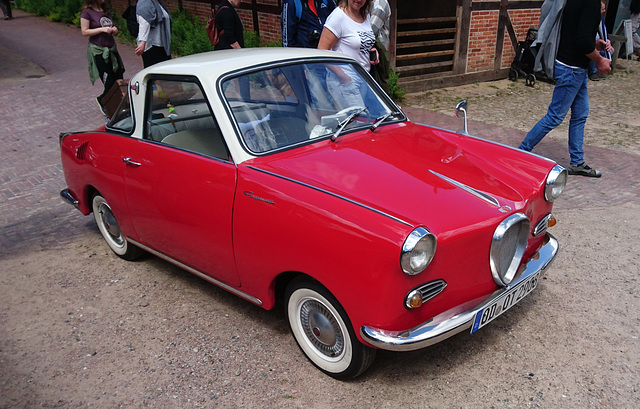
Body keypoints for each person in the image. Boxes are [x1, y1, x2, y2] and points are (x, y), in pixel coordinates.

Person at [519, 0, 611, 177]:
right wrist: (599, 60)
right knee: (554, 117)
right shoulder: (590, 4)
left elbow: (575, 34)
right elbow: (583, 41)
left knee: (580, 114)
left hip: (574, 67)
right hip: (572, 69)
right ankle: (521, 152)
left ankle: (577, 162)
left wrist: (595, 46)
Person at [317, 0, 378, 107]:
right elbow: (322, 50)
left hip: (364, 77)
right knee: (359, 119)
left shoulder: (365, 15)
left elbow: (359, 42)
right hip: (345, 80)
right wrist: (343, 77)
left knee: (358, 120)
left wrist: (372, 51)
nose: (359, 0)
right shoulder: (338, 17)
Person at [80, 0, 125, 116]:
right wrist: (101, 29)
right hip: (99, 51)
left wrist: (114, 30)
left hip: (111, 49)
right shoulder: (87, 12)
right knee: (109, 81)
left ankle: (118, 105)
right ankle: (103, 100)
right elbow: (84, 31)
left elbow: (110, 26)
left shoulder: (105, 11)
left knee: (119, 77)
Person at [135, 0, 171, 68]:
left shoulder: (157, 2)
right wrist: (143, 42)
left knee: (164, 72)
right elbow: (144, 22)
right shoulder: (145, 2)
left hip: (161, 45)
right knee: (153, 72)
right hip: (152, 45)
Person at [588, 1, 613, 81]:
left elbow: (604, 34)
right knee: (593, 51)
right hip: (591, 45)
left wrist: (608, 42)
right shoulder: (590, 19)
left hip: (599, 44)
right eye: (603, 9)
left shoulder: (600, 19)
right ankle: (593, 72)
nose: (604, 11)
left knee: (609, 51)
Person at [369, 0, 390, 93]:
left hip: (379, 49)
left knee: (379, 85)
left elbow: (371, 30)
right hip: (373, 47)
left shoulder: (380, 3)